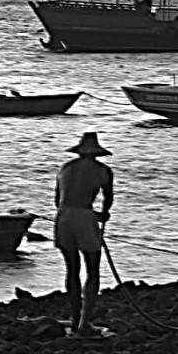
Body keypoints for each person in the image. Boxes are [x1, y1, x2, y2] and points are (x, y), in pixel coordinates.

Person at [54, 132, 114, 337]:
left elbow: (57, 200)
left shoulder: (65, 168)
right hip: (84, 217)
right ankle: (84, 323)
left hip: (62, 217)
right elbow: (108, 201)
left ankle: (74, 318)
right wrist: (101, 215)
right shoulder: (103, 170)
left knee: (72, 269)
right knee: (92, 269)